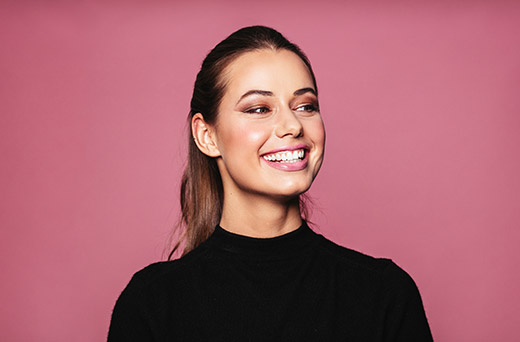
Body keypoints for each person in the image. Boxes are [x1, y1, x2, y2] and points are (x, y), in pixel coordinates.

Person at [108, 25, 433, 341]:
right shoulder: (151, 305)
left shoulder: (384, 295)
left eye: (305, 106)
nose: (292, 125)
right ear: (207, 136)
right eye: (259, 108)